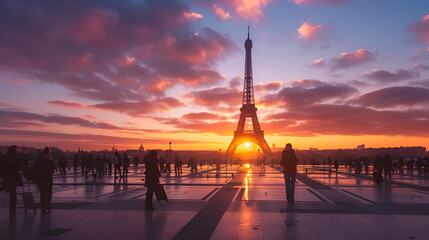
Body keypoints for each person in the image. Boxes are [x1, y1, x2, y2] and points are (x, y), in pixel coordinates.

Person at [3, 145, 24, 214]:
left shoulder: (6, 158)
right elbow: (20, 167)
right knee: (13, 194)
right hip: (14, 177)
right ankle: (12, 208)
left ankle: (12, 208)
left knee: (11, 192)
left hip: (7, 177)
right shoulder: (16, 158)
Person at [34, 147, 55, 212]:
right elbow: (53, 167)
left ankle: (43, 206)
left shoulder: (39, 159)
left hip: (40, 178)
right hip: (48, 178)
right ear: (48, 153)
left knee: (42, 193)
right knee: (49, 192)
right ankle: (48, 204)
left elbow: (35, 167)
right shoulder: (49, 159)